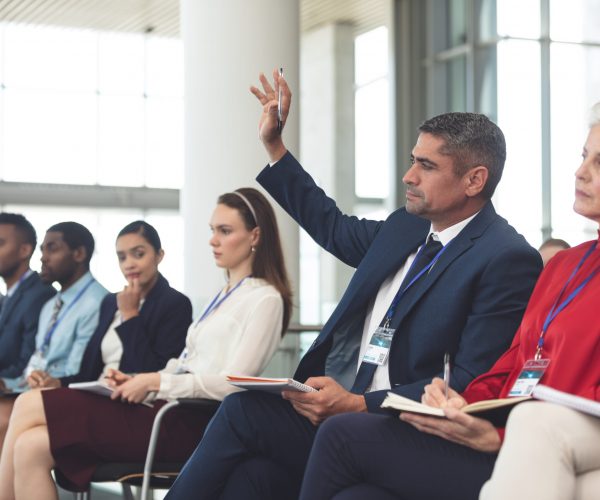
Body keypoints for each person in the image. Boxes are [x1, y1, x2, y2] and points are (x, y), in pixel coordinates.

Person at [163, 72, 542, 500]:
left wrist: (359, 404)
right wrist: (275, 148)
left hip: (405, 429)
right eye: (413, 160)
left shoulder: (505, 258)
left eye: (426, 165)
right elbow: (332, 226)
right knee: (246, 436)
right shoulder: (407, 227)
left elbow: (469, 382)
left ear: (474, 180)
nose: (408, 176)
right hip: (340, 410)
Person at [295, 102, 600, 500]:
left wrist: (499, 430)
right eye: (583, 156)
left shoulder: (507, 255)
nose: (580, 172)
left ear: (474, 180)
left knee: (341, 436)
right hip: (493, 422)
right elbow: (513, 363)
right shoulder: (564, 265)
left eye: (599, 162)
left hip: (529, 434)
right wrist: (462, 402)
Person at [0, 188, 292, 499]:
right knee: (29, 447)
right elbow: (184, 362)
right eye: (212, 231)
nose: (213, 240)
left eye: (225, 231)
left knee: (28, 403)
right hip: (165, 407)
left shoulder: (265, 298)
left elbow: (236, 384)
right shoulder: (224, 295)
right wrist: (140, 379)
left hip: (192, 421)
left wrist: (157, 381)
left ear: (255, 235)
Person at [26, 220, 192, 389]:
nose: (129, 264)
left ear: (159, 255)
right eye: (122, 257)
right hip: (97, 391)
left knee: (28, 403)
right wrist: (58, 383)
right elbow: (89, 372)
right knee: (32, 397)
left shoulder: (175, 304)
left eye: (139, 254)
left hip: (133, 400)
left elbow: (154, 374)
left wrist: (130, 316)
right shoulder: (111, 302)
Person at [0, 222, 108, 450]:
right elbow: (38, 359)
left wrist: (46, 381)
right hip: (34, 388)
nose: (43, 258)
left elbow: (79, 370)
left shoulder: (99, 302)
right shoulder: (51, 305)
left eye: (52, 249)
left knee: (2, 420)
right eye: (42, 250)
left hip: (71, 394)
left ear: (78, 254)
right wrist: (9, 384)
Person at [0, 213, 56, 381]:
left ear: (24, 250)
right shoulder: (7, 297)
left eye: (0, 243)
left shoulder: (40, 294)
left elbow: (26, 365)